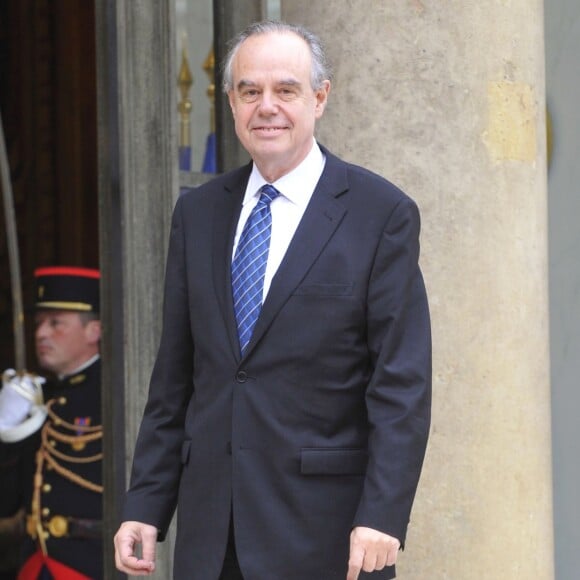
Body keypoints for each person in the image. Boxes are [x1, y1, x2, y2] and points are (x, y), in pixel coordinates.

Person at [114, 20, 431, 580]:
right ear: (231, 102)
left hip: (327, 536)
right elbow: (176, 378)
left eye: (285, 90)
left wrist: (383, 515)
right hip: (212, 537)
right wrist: (145, 504)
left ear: (320, 98)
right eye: (249, 91)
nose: (267, 107)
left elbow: (400, 385)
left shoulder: (380, 213)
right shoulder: (199, 213)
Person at [0, 266, 103, 579]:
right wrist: (7, 433)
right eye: (39, 323)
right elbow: (5, 506)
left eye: (56, 323)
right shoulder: (37, 398)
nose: (41, 333)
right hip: (37, 564)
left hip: (92, 565)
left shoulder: (114, 393)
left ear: (93, 331)